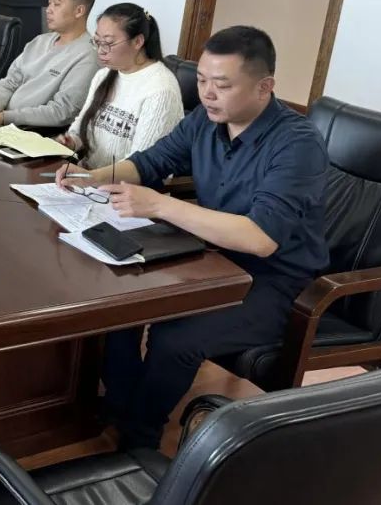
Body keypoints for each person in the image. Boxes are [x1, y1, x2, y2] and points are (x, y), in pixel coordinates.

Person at [55, 25, 328, 450]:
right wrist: (91, 178)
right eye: (201, 81)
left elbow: (260, 239)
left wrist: (161, 206)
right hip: (209, 257)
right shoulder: (205, 120)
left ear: (264, 87)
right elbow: (151, 161)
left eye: (222, 85)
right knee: (117, 301)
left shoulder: (296, 143)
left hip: (275, 280)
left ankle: (139, 439)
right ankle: (121, 408)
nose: (208, 94)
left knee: (176, 339)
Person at [58, 3, 183, 169]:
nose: (100, 50)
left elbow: (141, 165)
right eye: (97, 41)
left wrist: (91, 178)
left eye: (108, 43)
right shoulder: (103, 75)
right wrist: (71, 142)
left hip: (123, 183)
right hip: (87, 176)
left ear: (138, 41)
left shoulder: (161, 89)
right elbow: (81, 127)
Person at [0, 0, 99, 129]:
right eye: (49, 3)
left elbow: (62, 112)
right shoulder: (39, 41)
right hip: (1, 120)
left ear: (79, 11)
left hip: (30, 132)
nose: (48, 10)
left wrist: (4, 117)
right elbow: (10, 81)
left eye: (56, 4)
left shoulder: (88, 56)